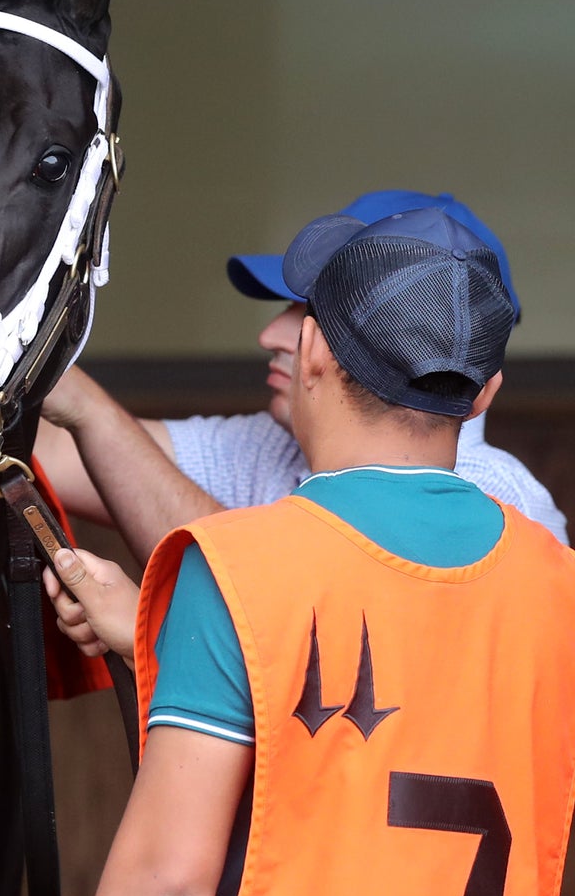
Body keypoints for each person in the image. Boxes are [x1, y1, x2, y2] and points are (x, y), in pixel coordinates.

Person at [77, 206, 575, 896]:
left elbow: (166, 886)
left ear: (312, 350)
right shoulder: (556, 580)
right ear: (485, 394)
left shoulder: (241, 565)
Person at [32, 189, 567, 660]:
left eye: (311, 308)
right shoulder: (272, 443)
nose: (272, 336)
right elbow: (72, 457)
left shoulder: (494, 502)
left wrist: (153, 637)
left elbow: (349, 677)